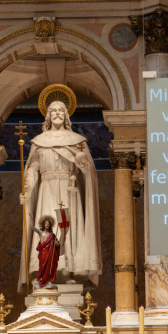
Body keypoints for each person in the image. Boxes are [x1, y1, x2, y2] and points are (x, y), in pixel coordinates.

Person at [19, 100, 101, 290]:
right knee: (47, 228)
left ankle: (66, 271)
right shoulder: (39, 142)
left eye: (61, 111)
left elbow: (88, 171)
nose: (57, 114)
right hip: (46, 190)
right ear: (48, 116)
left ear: (66, 115)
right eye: (53, 111)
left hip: (68, 189)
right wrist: (27, 191)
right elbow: (32, 170)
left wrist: (83, 165)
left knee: (67, 230)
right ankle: (44, 272)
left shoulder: (77, 141)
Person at [34, 216, 62, 288]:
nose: (47, 225)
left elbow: (57, 244)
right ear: (43, 224)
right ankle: (40, 280)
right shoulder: (41, 232)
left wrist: (56, 243)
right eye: (46, 223)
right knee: (42, 266)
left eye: (48, 224)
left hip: (50, 253)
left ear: (50, 225)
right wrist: (30, 218)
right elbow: (33, 228)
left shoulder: (52, 235)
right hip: (43, 253)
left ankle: (48, 280)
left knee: (49, 267)